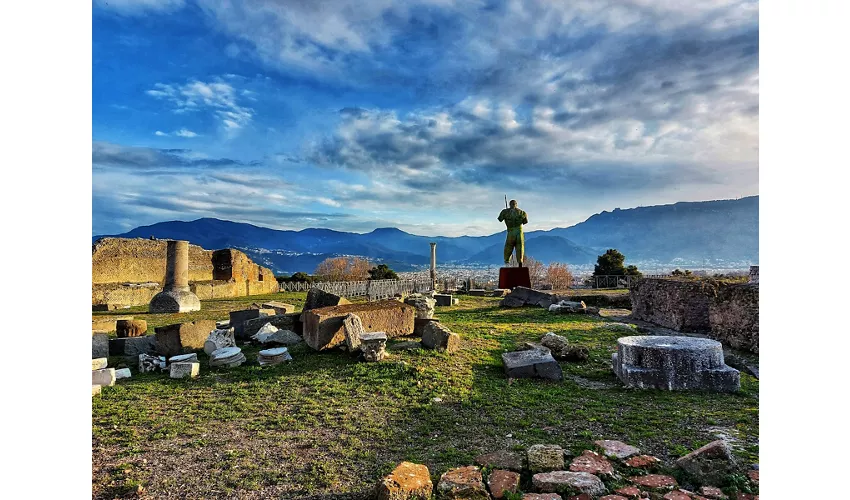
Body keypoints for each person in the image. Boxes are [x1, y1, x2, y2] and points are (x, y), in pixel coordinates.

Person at [497, 199, 528, 266]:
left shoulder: (505, 212)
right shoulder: (522, 213)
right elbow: (525, 222)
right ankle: (520, 263)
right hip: (519, 232)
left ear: (509, 204)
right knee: (520, 247)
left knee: (508, 247)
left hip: (510, 232)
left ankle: (507, 262)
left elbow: (500, 219)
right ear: (516, 205)